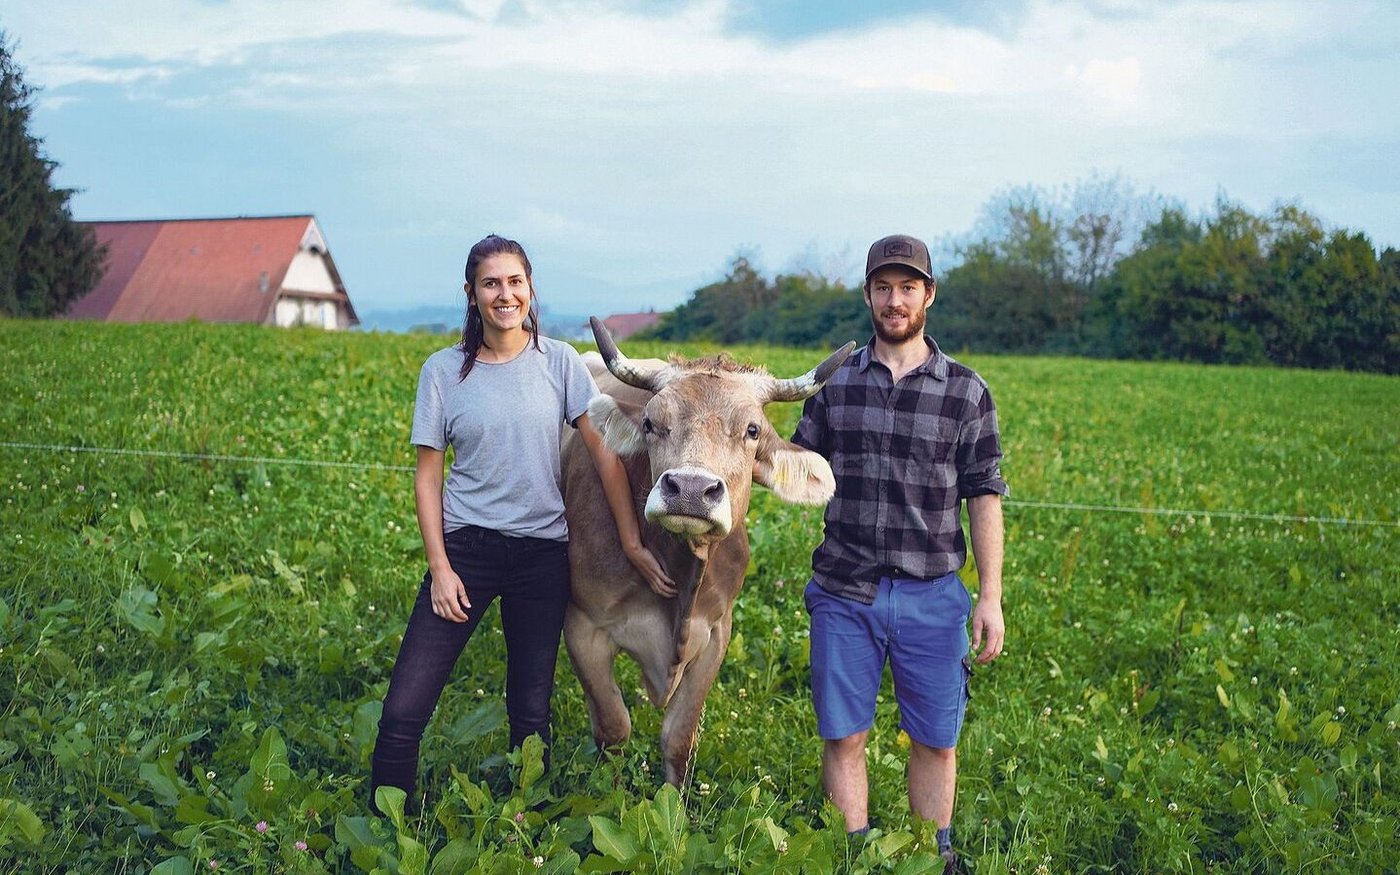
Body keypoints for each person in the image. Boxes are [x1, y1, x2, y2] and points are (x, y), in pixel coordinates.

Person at [370, 234, 673, 810]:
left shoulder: (558, 361)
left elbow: (605, 454)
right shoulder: (442, 372)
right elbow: (428, 476)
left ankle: (524, 821)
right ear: (471, 293)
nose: (504, 295)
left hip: (540, 556)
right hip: (466, 550)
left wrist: (632, 542)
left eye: (514, 282)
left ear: (530, 289)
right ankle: (388, 821)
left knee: (530, 706)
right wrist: (440, 567)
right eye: (491, 283)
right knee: (405, 704)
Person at [791, 234, 1007, 869]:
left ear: (928, 295)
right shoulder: (833, 385)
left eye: (907, 287)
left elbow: (984, 492)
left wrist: (989, 596)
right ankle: (855, 853)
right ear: (867, 295)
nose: (894, 300)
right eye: (883, 287)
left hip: (933, 594)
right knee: (844, 734)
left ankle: (930, 855)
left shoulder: (966, 391)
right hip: (844, 590)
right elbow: (796, 462)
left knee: (937, 740)